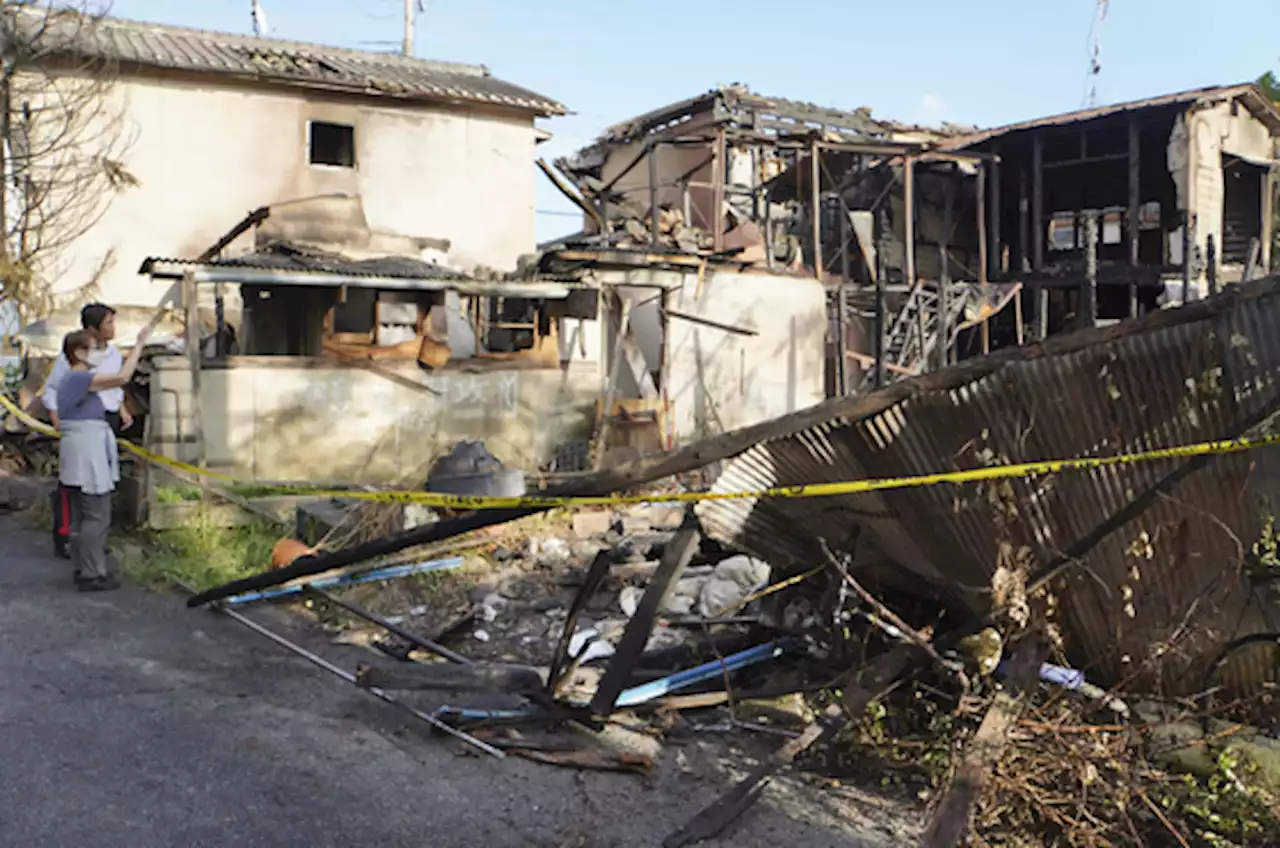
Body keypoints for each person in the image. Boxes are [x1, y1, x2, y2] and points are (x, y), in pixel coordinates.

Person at [56, 324, 149, 592]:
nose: (99, 353)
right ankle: (91, 572)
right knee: (96, 515)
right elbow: (122, 378)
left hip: (78, 450)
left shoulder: (71, 380)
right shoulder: (78, 379)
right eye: (94, 349)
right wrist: (139, 344)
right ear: (78, 352)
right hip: (88, 452)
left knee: (81, 516)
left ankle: (83, 567)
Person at [42, 303, 133, 559]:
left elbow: (114, 386)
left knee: (102, 483)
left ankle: (94, 542)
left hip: (105, 419)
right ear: (92, 328)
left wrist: (121, 407)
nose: (113, 329)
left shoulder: (113, 354)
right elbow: (52, 390)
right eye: (108, 323)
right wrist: (57, 420)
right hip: (79, 424)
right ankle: (66, 536)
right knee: (76, 484)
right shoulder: (72, 358)